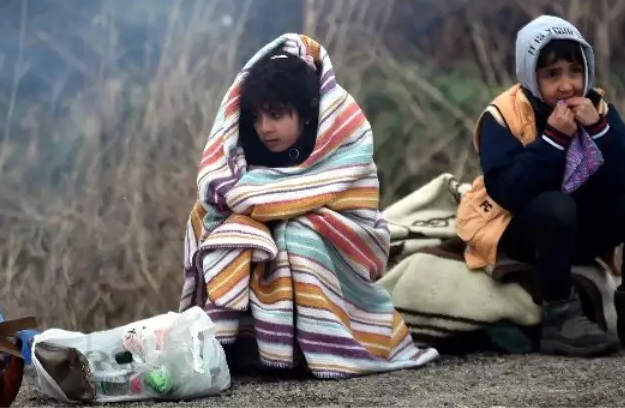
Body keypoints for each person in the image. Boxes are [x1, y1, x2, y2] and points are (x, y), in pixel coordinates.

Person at [180, 33, 438, 378]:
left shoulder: (339, 135)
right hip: (268, 232)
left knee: (297, 235)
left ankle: (308, 348)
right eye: (257, 117)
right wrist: (259, 210)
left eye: (275, 115)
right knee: (219, 230)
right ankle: (235, 344)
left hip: (339, 240)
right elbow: (225, 195)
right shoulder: (249, 143)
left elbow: (353, 205)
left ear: (304, 111)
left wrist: (274, 206)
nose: (264, 128)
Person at [456, 14, 625, 357]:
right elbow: (508, 190)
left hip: (577, 231)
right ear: (531, 75)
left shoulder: (597, 107)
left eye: (575, 71)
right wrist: (555, 139)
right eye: (552, 74)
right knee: (556, 205)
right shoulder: (501, 116)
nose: (567, 86)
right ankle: (560, 316)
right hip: (522, 231)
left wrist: (601, 130)